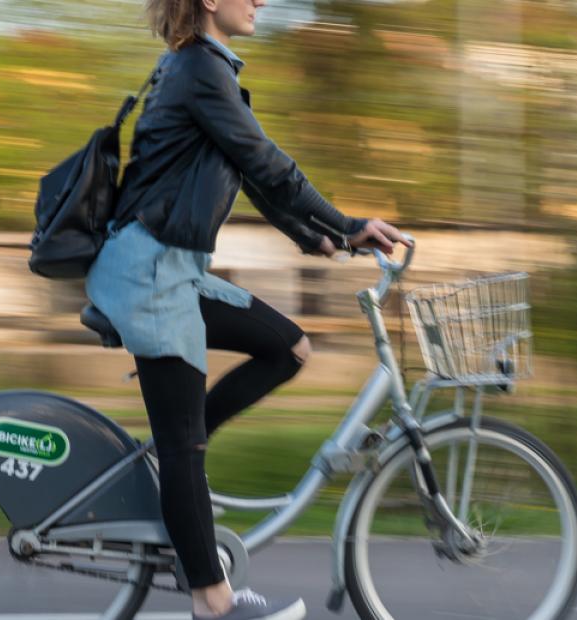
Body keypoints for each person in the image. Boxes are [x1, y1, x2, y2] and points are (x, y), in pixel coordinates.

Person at [84, 0, 410, 618]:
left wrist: (319, 237)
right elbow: (266, 160)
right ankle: (214, 603)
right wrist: (346, 220)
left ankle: (174, 466)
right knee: (185, 448)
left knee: (287, 347)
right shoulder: (197, 70)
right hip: (151, 275)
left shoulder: (203, 70)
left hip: (172, 269)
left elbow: (252, 175)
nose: (261, 0)